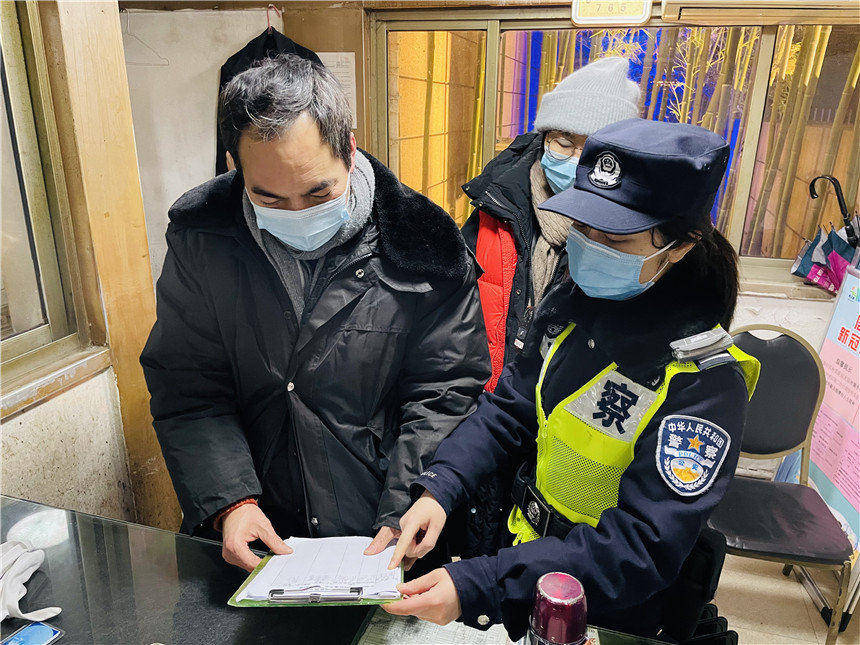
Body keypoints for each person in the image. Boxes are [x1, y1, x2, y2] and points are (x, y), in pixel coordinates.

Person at [382, 119, 761, 639]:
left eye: (614, 237)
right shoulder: (572, 305)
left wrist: (486, 583)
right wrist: (441, 486)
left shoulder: (702, 381)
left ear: (680, 245)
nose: (588, 247)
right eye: (582, 227)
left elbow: (639, 547)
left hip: (613, 609)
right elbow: (510, 408)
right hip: (527, 558)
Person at [140, 54, 490, 572]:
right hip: (259, 526)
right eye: (269, 198)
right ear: (235, 167)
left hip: (382, 526)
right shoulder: (204, 239)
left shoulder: (424, 245)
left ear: (349, 148)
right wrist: (230, 501)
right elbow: (189, 388)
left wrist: (413, 498)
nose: (297, 213)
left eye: (318, 192)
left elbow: (445, 390)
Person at [457, 57, 640, 558]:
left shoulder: (625, 240)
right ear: (543, 138)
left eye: (592, 147)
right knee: (488, 556)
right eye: (563, 140)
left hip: (574, 438)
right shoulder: (496, 205)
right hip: (492, 415)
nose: (574, 158)